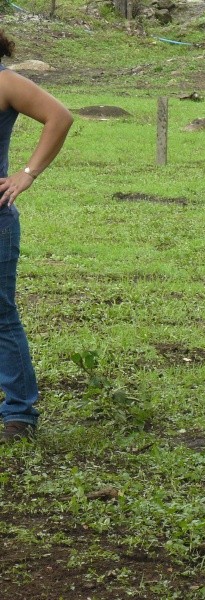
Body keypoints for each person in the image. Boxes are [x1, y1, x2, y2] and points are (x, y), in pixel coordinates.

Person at [0, 30, 73, 443]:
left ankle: (19, 412)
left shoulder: (5, 83)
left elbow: (59, 117)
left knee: (1, 317)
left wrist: (25, 174)